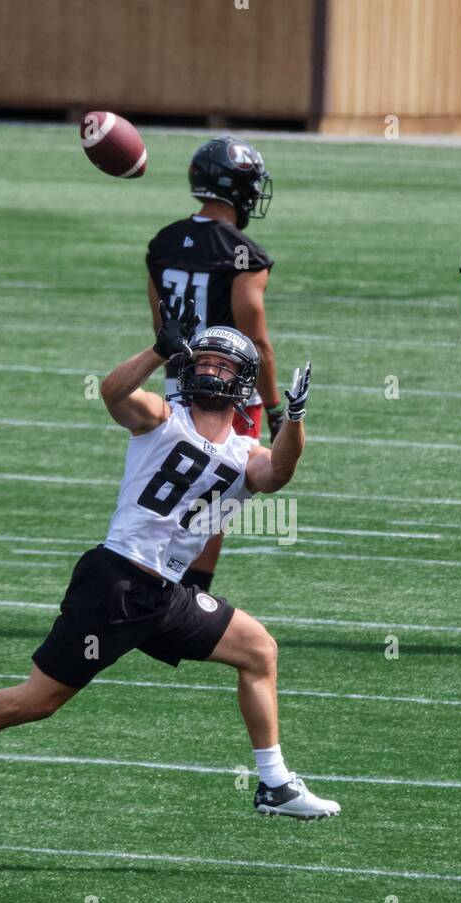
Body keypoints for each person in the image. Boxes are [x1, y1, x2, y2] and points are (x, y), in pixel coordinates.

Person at [0, 299, 341, 825]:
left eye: (225, 365)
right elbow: (112, 392)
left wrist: (297, 420)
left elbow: (280, 471)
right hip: (117, 582)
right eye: (205, 360)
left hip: (166, 595)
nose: (212, 370)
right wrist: (157, 350)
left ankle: (275, 784)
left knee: (259, 650)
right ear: (190, 369)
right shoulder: (162, 418)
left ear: (242, 381)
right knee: (38, 701)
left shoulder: (246, 454)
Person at [145, 136, 281, 593]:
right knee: (222, 489)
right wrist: (277, 408)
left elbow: (161, 330)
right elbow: (256, 339)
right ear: (240, 188)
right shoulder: (243, 253)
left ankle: (156, 574)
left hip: (178, 384)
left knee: (172, 482)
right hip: (230, 391)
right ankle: (194, 591)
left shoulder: (163, 243)